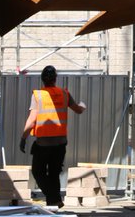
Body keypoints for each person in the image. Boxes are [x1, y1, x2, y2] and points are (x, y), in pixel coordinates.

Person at [19, 65, 86, 207]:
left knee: (38, 172)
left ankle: (53, 198)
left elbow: (31, 121)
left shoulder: (38, 95)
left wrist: (23, 138)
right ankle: (54, 203)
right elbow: (78, 110)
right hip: (60, 143)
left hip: (43, 144)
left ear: (42, 80)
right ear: (55, 79)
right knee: (54, 173)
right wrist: (83, 105)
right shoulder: (64, 93)